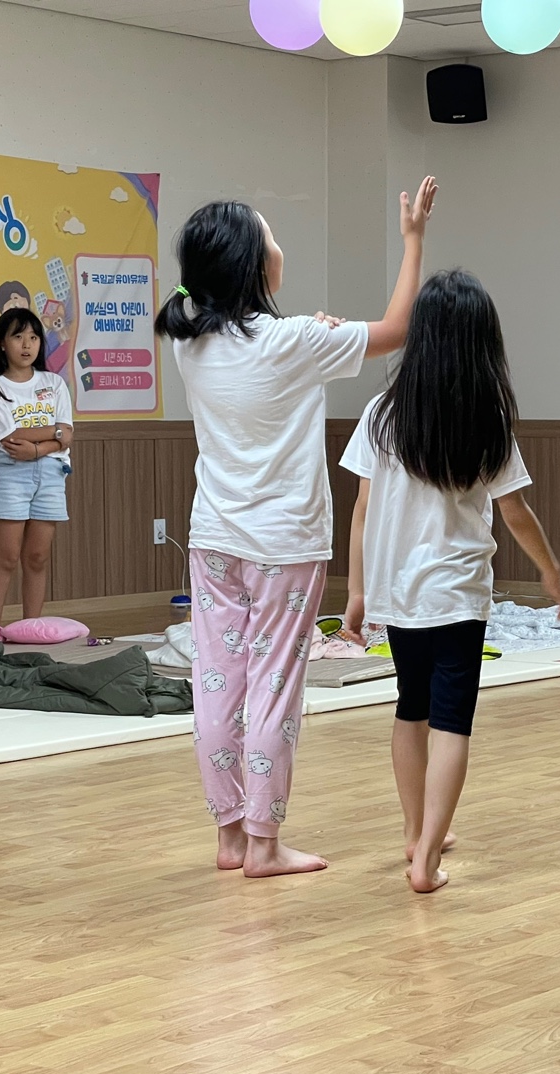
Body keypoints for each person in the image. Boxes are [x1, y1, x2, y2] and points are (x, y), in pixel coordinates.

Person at [158, 177, 439, 878]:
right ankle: (264, 844)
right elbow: (397, 330)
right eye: (272, 237)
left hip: (213, 536)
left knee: (216, 683)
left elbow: (258, 348)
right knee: (274, 686)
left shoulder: (188, 343)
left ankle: (229, 836)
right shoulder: (295, 340)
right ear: (254, 264)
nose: (279, 247)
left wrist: (313, 332)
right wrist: (413, 241)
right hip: (284, 542)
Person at [341, 269, 560, 894]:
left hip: (398, 594)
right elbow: (515, 512)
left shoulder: (382, 413)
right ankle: (426, 862)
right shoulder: (485, 416)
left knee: (409, 709)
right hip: (458, 596)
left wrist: (358, 591)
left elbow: (361, 509)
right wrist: (551, 572)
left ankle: (415, 833)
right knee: (452, 722)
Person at [0, 308, 74, 630]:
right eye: (18, 336)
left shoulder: (54, 382)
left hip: (51, 473)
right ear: (0, 343)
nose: (27, 344)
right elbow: (10, 436)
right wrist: (53, 434)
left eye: (33, 337)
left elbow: (67, 433)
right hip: (11, 473)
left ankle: (31, 629)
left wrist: (37, 448)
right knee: (6, 557)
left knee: (37, 557)